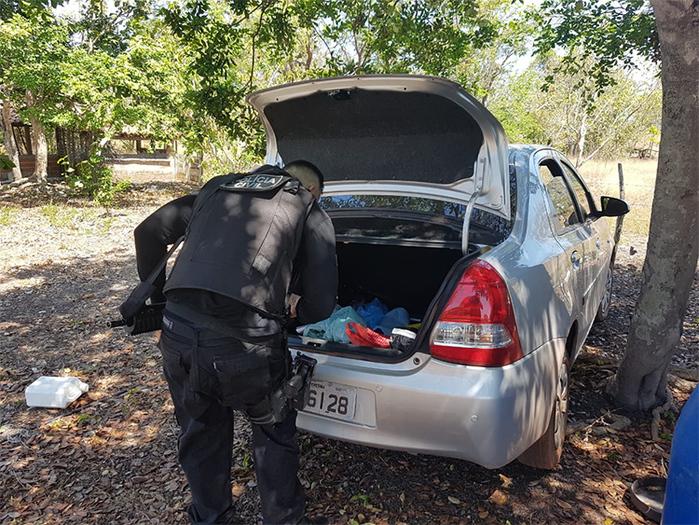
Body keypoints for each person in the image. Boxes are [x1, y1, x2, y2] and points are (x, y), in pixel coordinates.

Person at [132, 160, 337, 525]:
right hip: (247, 347)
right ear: (311, 191)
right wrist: (294, 314)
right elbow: (321, 304)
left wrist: (162, 304)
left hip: (178, 335)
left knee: (200, 430)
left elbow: (148, 232)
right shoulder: (309, 209)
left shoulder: (215, 193)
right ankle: (284, 519)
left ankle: (212, 517)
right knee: (273, 431)